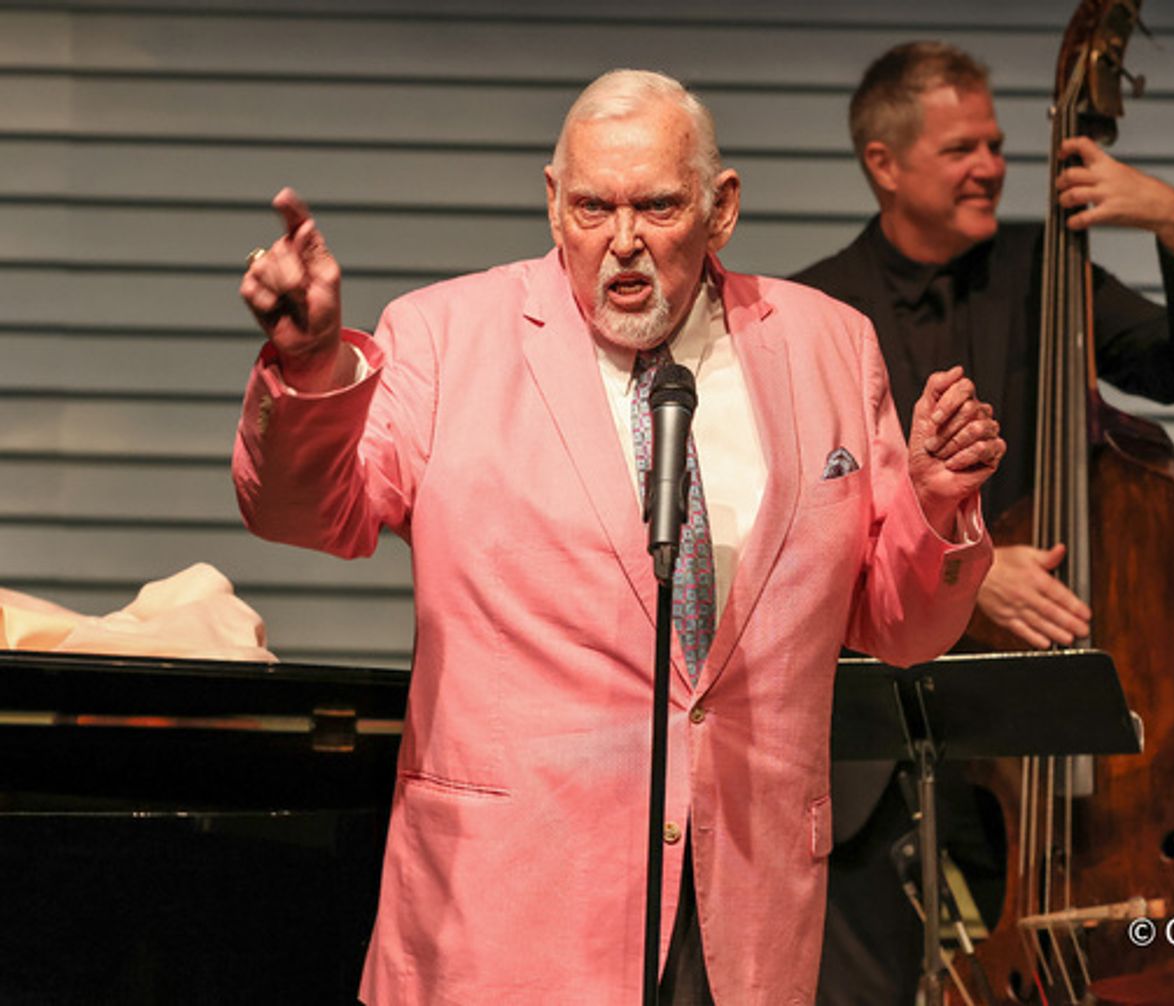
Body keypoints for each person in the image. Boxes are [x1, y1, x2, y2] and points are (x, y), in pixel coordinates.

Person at [234, 69, 1005, 1004]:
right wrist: (311, 364)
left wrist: (934, 504)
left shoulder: (826, 345)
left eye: (658, 205)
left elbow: (899, 624)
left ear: (721, 209)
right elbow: (308, 514)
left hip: (740, 915)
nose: (624, 240)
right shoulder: (445, 336)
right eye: (594, 207)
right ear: (553, 204)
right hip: (504, 906)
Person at [792, 42, 1174, 1003]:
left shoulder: (1048, 267)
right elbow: (800, 518)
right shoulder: (818, 309)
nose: (994, 166)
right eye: (963, 148)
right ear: (884, 163)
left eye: (997, 144)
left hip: (1039, 737)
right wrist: (972, 567)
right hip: (884, 733)